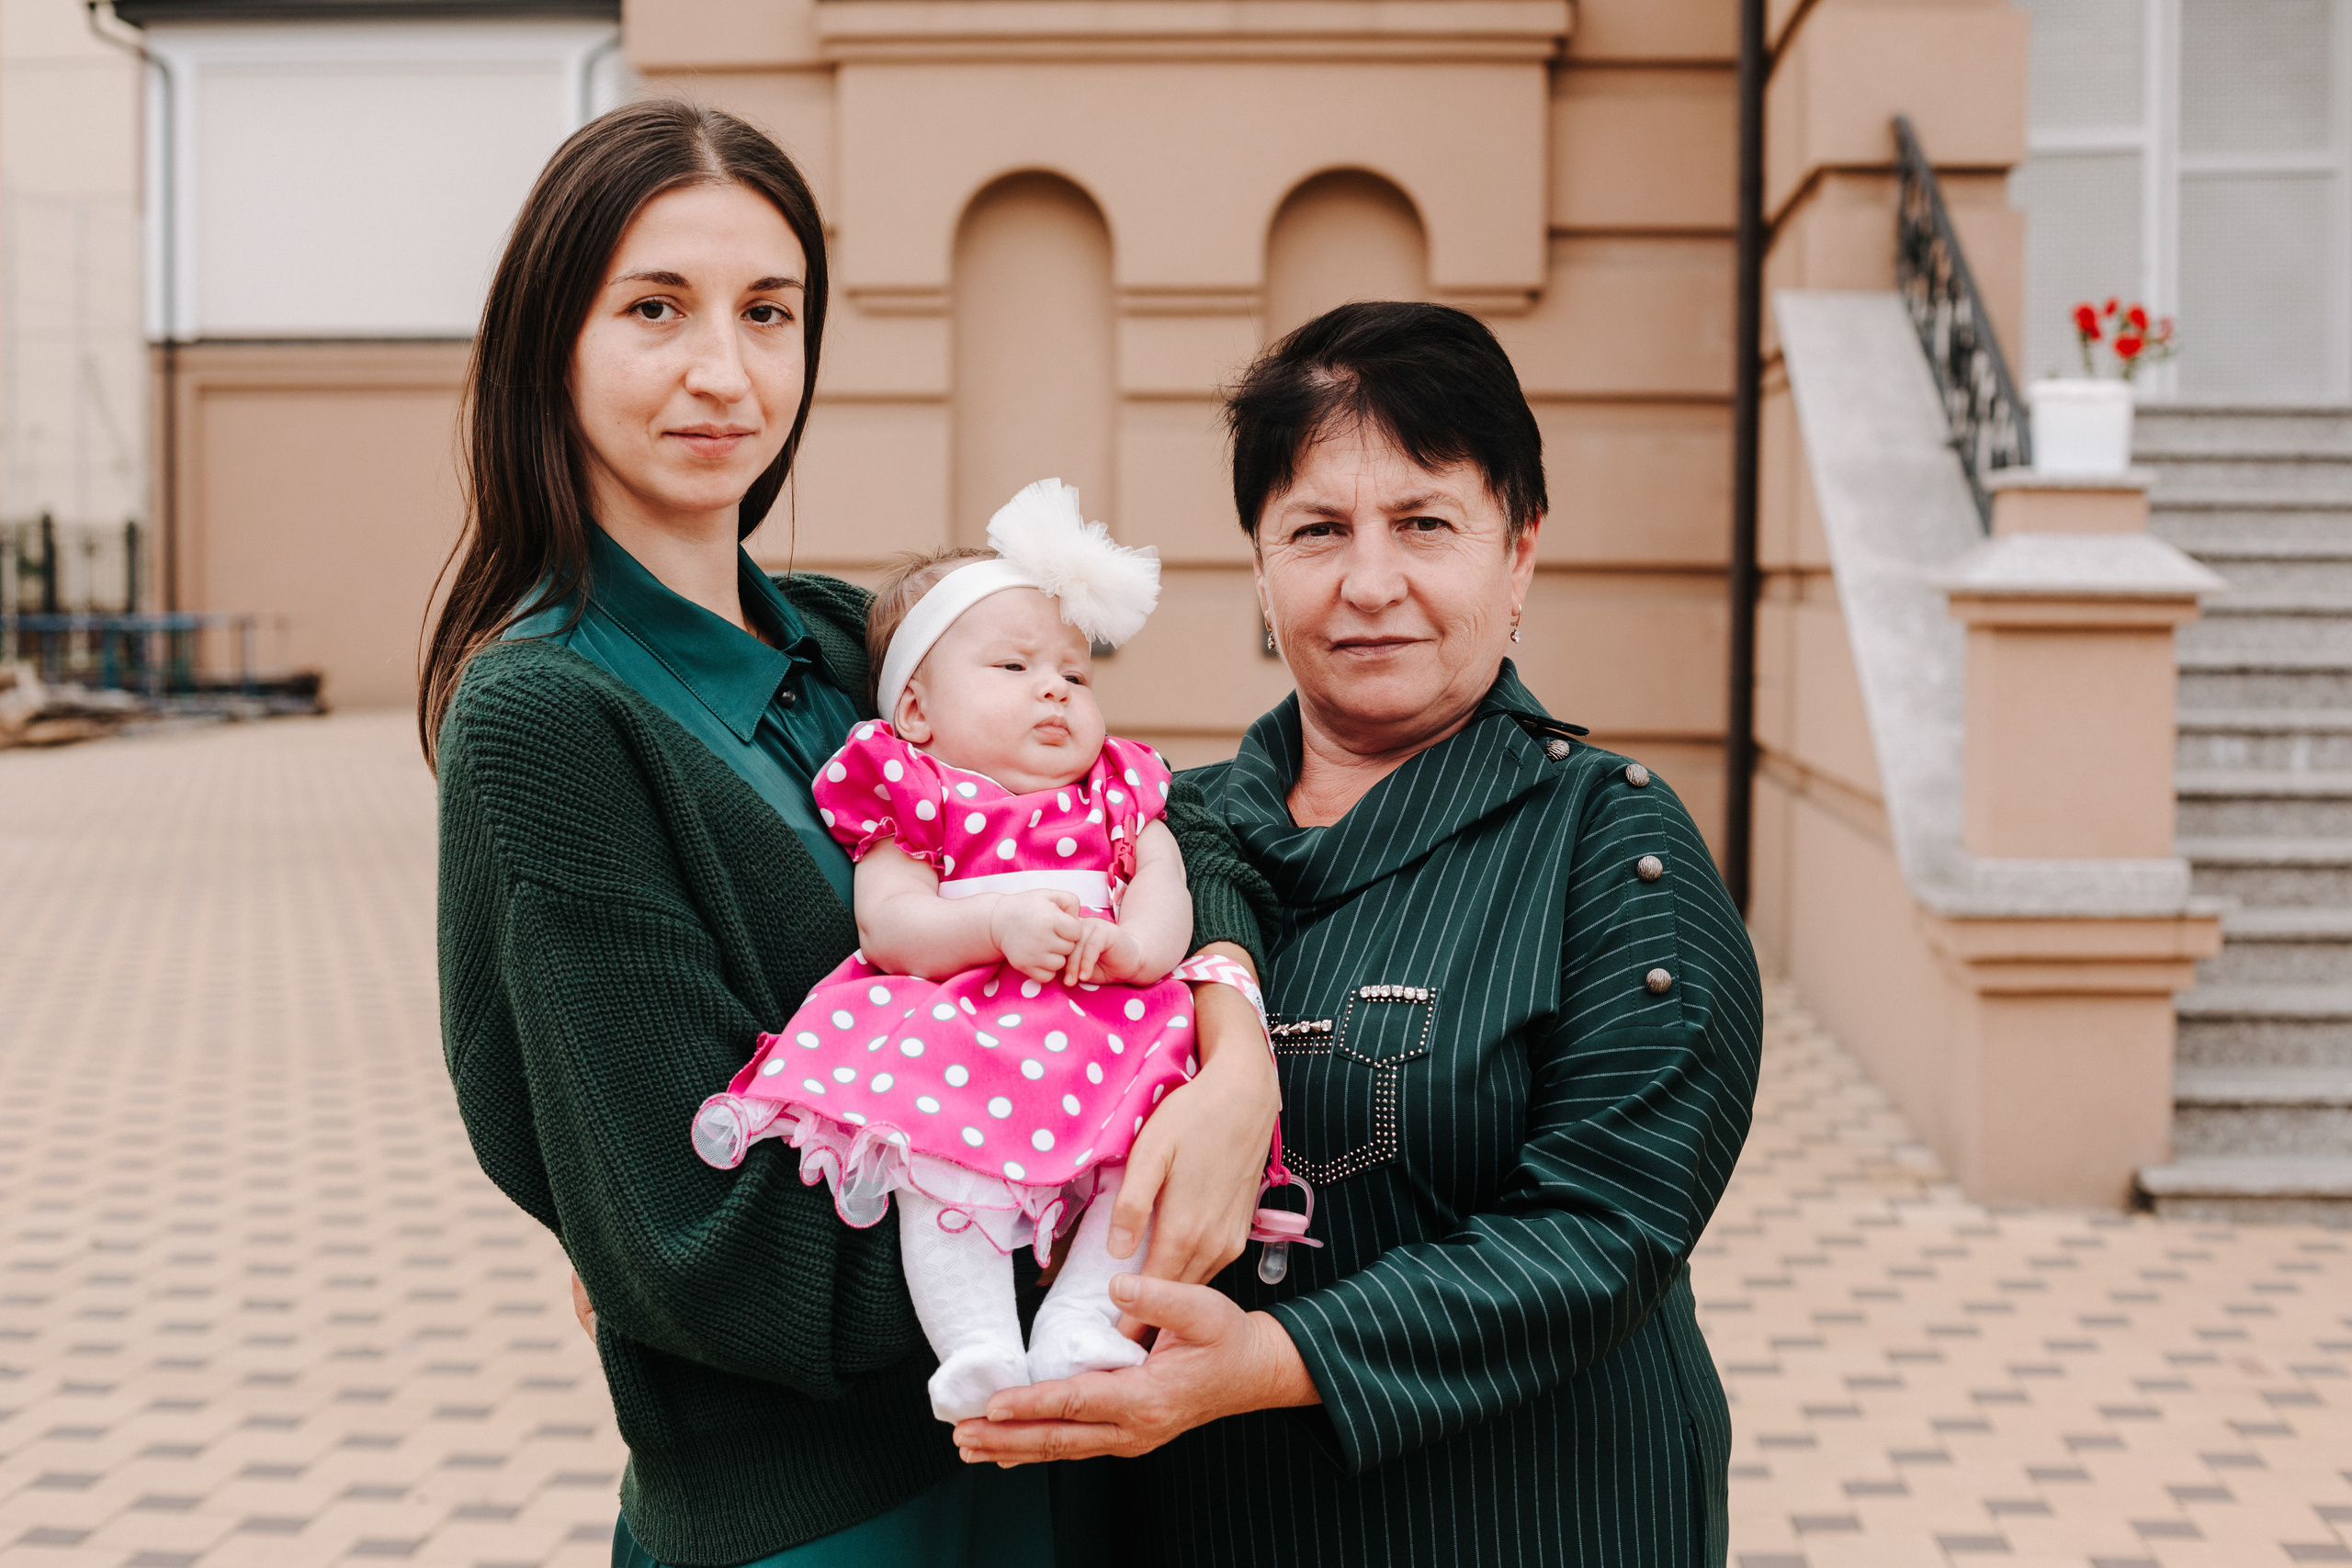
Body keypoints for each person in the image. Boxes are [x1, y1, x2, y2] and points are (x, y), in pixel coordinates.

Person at [423, 101, 1280, 1568]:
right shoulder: (549, 718)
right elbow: (689, 1240)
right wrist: (1114, 1216)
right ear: (548, 346)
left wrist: (1233, 1052)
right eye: (655, 309)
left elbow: (1180, 819)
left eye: (769, 312)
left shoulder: (845, 645)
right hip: (829, 1512)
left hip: (1072, 1463)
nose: (723, 370)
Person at [957, 301, 1765, 1568]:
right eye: (1318, 530)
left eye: (1426, 523)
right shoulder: (1155, 833)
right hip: (1212, 1520)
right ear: (1262, 566)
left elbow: (1607, 1225)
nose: (1369, 581)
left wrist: (1276, 1359)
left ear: (1520, 552)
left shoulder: (1613, 845)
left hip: (1536, 1516)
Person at [693, 480, 1269, 1422]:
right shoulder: (914, 796)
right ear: (915, 710)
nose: (1054, 688)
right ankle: (976, 1343)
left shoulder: (1118, 793)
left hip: (1110, 1028)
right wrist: (995, 929)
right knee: (934, 1167)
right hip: (956, 1034)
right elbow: (889, 926)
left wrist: (1138, 949)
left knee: (1145, 1166)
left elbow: (1170, 885)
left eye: (1075, 676)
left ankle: (1087, 1318)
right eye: (1011, 666)